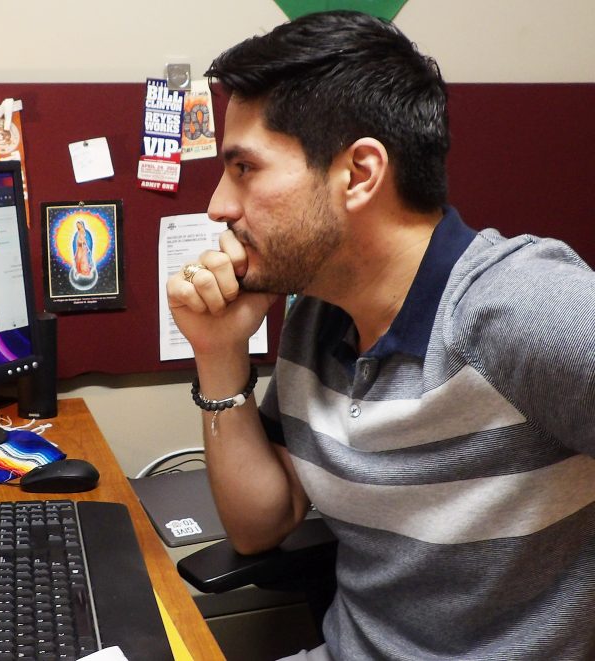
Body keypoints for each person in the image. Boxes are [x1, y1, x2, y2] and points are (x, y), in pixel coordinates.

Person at [167, 10, 595, 661]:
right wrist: (219, 350)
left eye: (244, 168)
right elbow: (260, 526)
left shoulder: (520, 308)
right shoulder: (317, 312)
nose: (219, 205)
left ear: (360, 173)